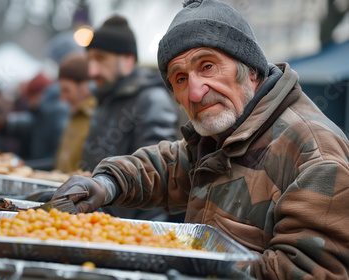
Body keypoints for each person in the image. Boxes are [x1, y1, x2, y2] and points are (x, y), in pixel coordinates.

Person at [52, 0, 349, 279]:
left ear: (252, 71)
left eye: (207, 66)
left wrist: (192, 261)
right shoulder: (225, 133)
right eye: (180, 78)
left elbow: (309, 271)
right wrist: (107, 183)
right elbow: (167, 165)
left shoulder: (315, 155)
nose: (195, 92)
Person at [81, 15, 179, 172]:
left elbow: (153, 174)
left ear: (128, 59)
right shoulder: (106, 96)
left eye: (101, 58)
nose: (92, 71)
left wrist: (103, 186)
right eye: (89, 60)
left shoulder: (152, 100)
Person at [0, 72, 69, 170]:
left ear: (38, 94)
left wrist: (26, 166)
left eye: (30, 98)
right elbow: (31, 123)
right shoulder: (46, 110)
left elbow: (56, 157)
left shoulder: (57, 111)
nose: (28, 103)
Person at [54, 51, 96, 173]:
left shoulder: (96, 118)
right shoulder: (74, 114)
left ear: (84, 86)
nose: (63, 98)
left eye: (67, 90)